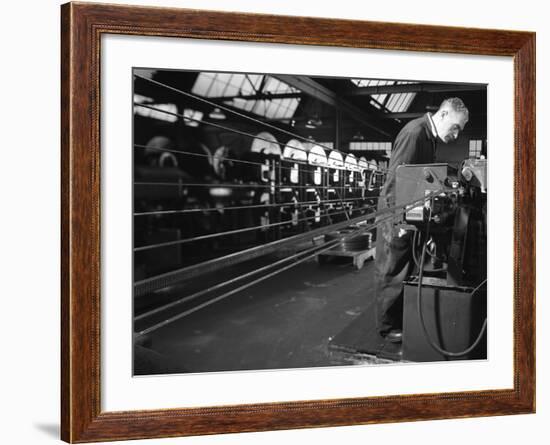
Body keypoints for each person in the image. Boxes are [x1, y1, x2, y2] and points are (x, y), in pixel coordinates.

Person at [374, 97, 469, 343]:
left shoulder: (430, 138)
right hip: (396, 215)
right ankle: (387, 327)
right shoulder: (415, 134)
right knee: (393, 269)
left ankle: (399, 317)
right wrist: (400, 222)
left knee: (407, 268)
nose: (456, 135)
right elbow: (396, 180)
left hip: (410, 213)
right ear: (444, 114)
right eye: (456, 127)